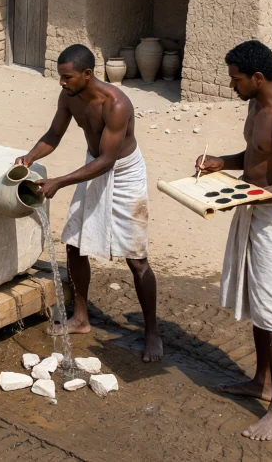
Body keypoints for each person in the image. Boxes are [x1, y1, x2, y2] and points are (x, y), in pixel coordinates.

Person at [15, 44, 162, 363]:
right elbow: (54, 134)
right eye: (60, 77)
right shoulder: (69, 98)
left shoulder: (117, 104)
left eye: (67, 77)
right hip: (92, 165)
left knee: (136, 258)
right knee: (74, 245)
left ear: (87, 74)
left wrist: (58, 182)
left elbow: (108, 160)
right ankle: (80, 319)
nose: (61, 83)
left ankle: (152, 332)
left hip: (123, 173)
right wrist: (29, 157)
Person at [196, 40, 272, 442]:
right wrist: (220, 164)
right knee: (258, 302)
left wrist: (251, 195)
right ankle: (260, 381)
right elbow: (255, 157)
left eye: (236, 79)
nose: (232, 86)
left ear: (257, 78)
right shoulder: (254, 107)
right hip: (253, 209)